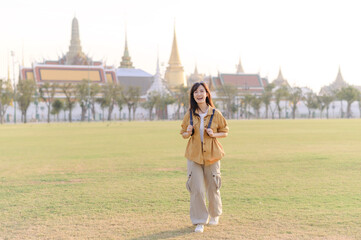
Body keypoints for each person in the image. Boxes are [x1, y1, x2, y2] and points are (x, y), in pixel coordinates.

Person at [180, 82, 229, 233]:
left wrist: (215, 134)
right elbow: (183, 134)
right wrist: (187, 132)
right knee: (197, 189)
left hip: (212, 156)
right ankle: (200, 220)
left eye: (201, 91)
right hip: (194, 156)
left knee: (213, 186)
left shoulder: (215, 113)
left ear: (207, 94)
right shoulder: (189, 115)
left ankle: (215, 214)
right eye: (195, 92)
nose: (198, 94)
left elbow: (225, 131)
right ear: (193, 96)